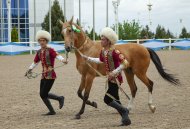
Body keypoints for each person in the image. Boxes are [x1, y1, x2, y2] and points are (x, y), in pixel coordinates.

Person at [82, 27, 131, 126]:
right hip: (110, 78)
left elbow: (125, 63)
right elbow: (100, 60)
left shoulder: (115, 52)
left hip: (116, 79)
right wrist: (88, 58)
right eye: (101, 38)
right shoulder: (103, 51)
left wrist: (115, 72)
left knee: (107, 99)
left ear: (108, 41)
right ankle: (126, 119)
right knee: (116, 99)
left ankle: (125, 111)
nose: (101, 41)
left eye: (103, 39)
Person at [25, 30, 68, 115]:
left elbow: (57, 55)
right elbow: (35, 62)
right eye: (40, 41)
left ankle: (56, 104)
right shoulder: (38, 52)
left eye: (43, 40)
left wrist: (63, 60)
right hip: (43, 75)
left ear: (46, 41)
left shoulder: (50, 50)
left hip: (51, 75)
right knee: (42, 94)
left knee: (43, 94)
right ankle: (57, 102)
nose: (42, 42)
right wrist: (29, 70)